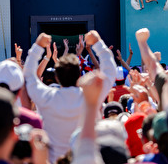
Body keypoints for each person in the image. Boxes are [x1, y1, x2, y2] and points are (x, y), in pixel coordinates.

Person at [23, 30, 117, 162]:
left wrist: (37, 47)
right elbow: (110, 72)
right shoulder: (91, 96)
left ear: (56, 77)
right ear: (79, 75)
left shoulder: (46, 96)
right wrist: (97, 42)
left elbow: (28, 75)